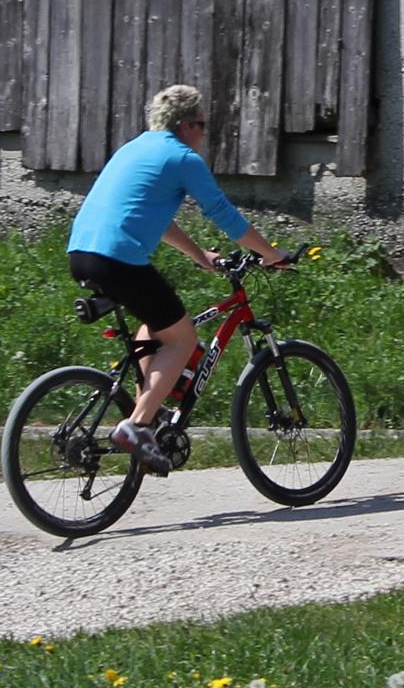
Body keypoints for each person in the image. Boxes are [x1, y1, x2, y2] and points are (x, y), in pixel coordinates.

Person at [66, 86, 292, 474]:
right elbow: (222, 214)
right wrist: (271, 253)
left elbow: (157, 217)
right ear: (186, 125)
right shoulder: (182, 157)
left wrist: (199, 255)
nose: (204, 135)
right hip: (118, 259)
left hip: (82, 254)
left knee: (154, 325)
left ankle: (146, 414)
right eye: (203, 126)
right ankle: (137, 426)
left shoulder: (135, 148)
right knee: (183, 338)